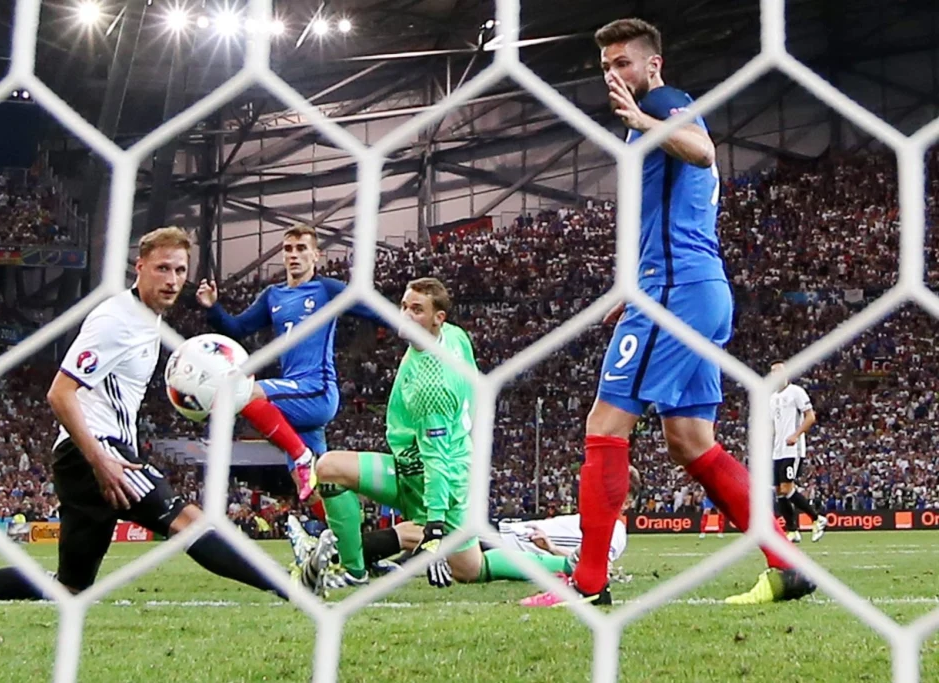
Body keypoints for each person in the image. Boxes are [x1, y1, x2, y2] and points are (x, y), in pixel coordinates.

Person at [525, 18, 815, 607]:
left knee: (603, 429)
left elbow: (704, 152)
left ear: (652, 64)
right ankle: (786, 564)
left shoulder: (666, 104)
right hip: (695, 290)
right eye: (606, 66)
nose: (613, 75)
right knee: (689, 438)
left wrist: (642, 120)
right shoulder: (653, 119)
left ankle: (588, 583)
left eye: (623, 63)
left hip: (676, 292)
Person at [0, 227, 335, 601]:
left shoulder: (148, 321)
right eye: (163, 268)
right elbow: (60, 393)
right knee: (189, 521)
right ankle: (290, 583)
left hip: (87, 457)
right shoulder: (115, 320)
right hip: (96, 453)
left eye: (180, 271)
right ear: (140, 266)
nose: (172, 280)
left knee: (70, 586)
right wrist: (101, 460)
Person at [304, 278, 570, 588]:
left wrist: (433, 526)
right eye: (404, 306)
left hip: (438, 482)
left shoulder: (432, 386)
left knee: (469, 569)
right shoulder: (453, 336)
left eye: (417, 310)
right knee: (329, 468)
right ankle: (354, 571)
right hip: (414, 469)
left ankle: (568, 564)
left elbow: (436, 460)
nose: (405, 315)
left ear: (437, 318)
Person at [197, 224, 383, 587]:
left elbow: (372, 309)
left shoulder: (328, 289)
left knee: (242, 391)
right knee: (322, 488)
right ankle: (360, 557)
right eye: (288, 248)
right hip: (293, 400)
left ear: (316, 256)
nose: (293, 254)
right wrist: (213, 308)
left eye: (301, 248)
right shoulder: (273, 296)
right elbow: (236, 330)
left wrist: (407, 323)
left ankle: (298, 455)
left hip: (316, 391)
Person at [769, 361, 824, 543]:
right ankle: (792, 530)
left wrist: (796, 434)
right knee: (779, 491)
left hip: (793, 449)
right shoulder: (772, 398)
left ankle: (817, 518)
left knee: (787, 488)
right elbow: (773, 425)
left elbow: (811, 417)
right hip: (777, 450)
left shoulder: (796, 392)